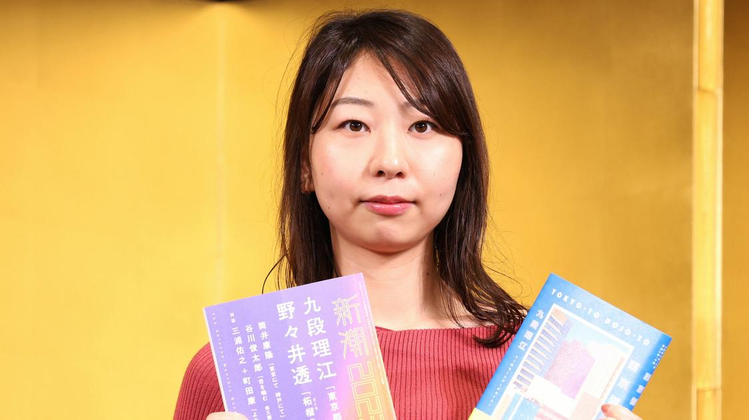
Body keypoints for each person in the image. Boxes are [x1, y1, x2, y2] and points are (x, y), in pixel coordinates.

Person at [174, 9, 643, 420]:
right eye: (354, 124)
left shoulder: (547, 368)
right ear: (304, 165)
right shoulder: (234, 374)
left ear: (464, 160)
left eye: (423, 125)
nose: (390, 161)